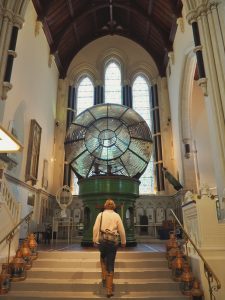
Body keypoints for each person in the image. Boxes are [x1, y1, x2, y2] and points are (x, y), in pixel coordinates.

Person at [93, 199, 126, 298]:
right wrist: (123, 242)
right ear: (114, 206)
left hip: (102, 241)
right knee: (110, 263)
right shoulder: (116, 216)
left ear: (105, 206)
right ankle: (109, 290)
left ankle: (104, 277)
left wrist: (94, 240)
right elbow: (121, 229)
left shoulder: (101, 215)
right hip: (113, 242)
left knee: (103, 256)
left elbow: (95, 228)